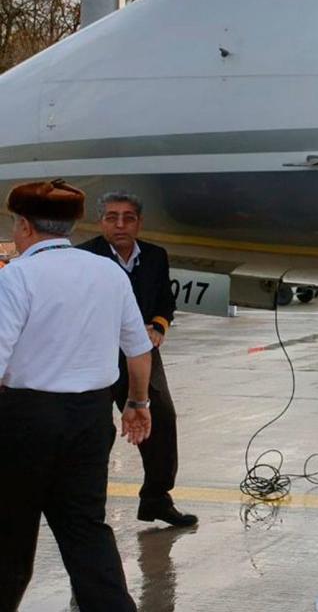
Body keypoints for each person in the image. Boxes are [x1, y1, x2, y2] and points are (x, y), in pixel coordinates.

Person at [0, 179, 153, 612]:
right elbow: (138, 351)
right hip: (89, 418)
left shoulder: (17, 277)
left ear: (25, 226)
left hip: (24, 419)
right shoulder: (107, 272)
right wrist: (137, 403)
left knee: (10, 536)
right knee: (86, 531)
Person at [78, 191, 196, 527]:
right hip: (97, 357)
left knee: (161, 420)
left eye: (128, 217)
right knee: (96, 431)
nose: (120, 224)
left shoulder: (156, 256)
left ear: (139, 223)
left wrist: (159, 327)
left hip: (141, 353)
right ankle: (89, 507)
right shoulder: (85, 257)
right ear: (100, 222)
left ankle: (156, 498)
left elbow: (164, 302)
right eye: (112, 217)